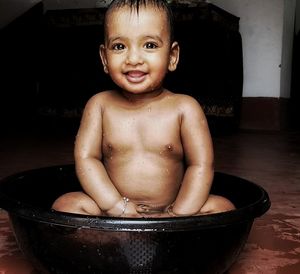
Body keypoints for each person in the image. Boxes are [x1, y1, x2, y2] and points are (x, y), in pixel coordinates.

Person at [52, 0, 235, 218]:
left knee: (222, 208)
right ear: (104, 58)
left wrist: (178, 214)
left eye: (150, 45)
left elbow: (201, 165)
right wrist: (114, 206)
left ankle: (169, 231)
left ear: (172, 56)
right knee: (66, 204)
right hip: (111, 213)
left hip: (171, 211)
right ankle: (111, 236)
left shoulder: (184, 109)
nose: (133, 59)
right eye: (119, 46)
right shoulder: (99, 105)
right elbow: (86, 159)